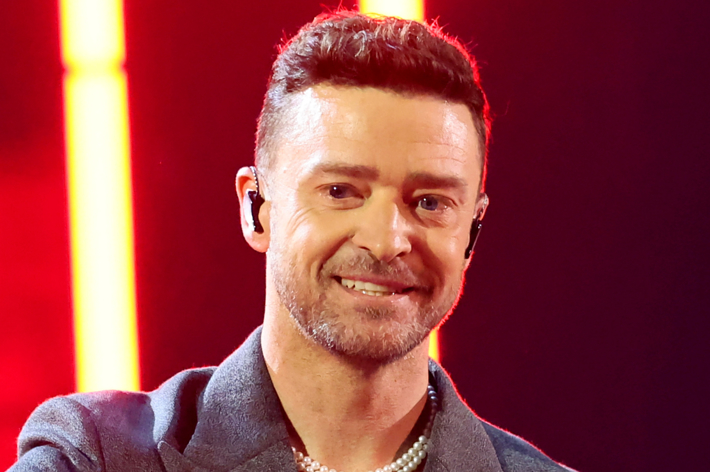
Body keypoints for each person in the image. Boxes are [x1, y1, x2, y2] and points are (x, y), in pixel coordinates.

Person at [11, 10, 575, 472]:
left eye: (429, 202)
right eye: (340, 191)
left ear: (472, 234)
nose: (385, 241)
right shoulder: (96, 457)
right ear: (256, 209)